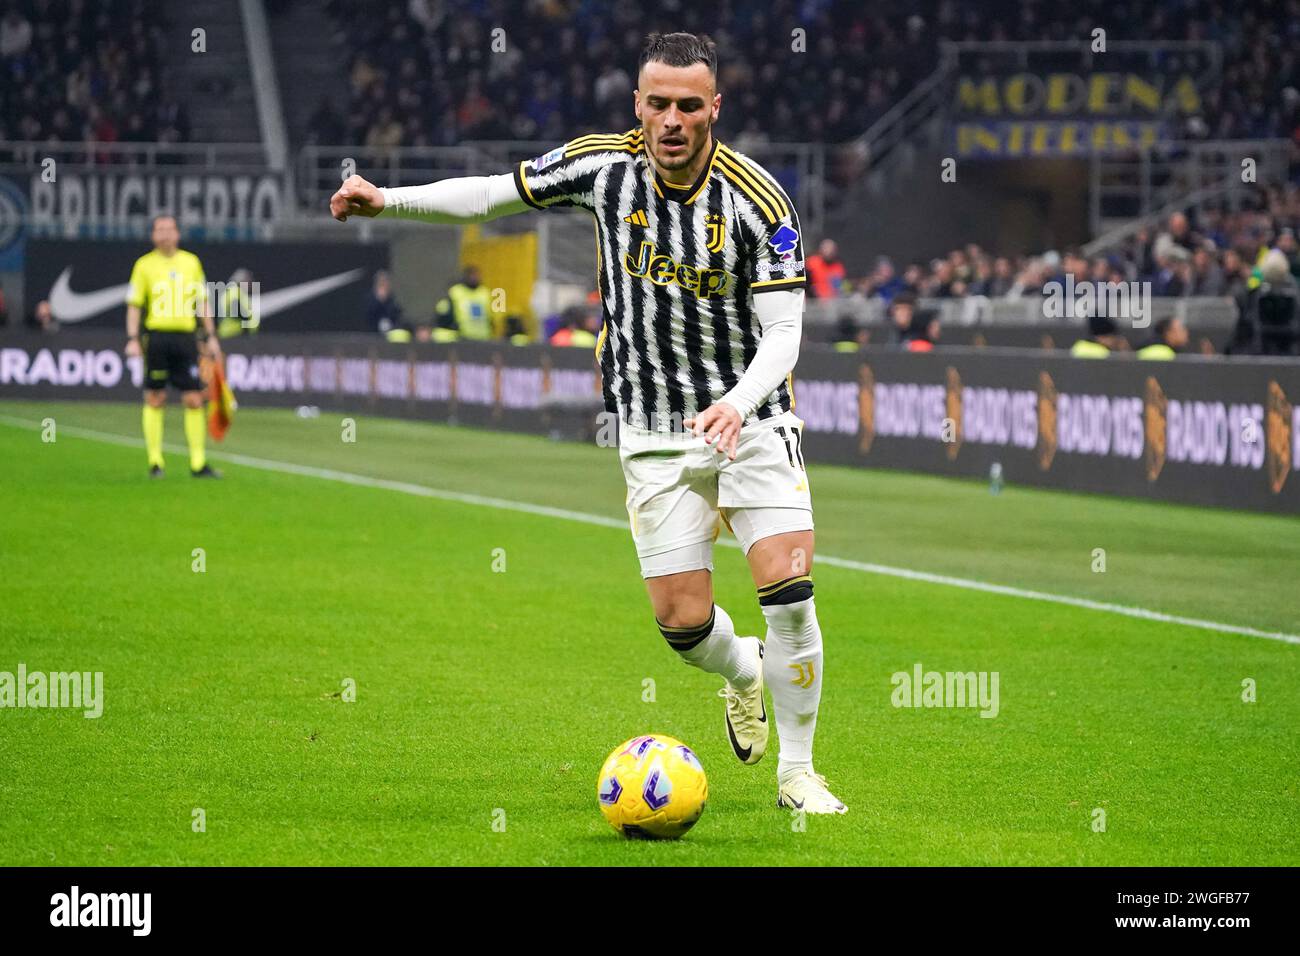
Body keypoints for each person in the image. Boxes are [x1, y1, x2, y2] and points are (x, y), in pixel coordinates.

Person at [331, 31, 844, 814]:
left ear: (715, 107)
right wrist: (387, 199)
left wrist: (737, 406)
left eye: (688, 105)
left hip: (752, 417)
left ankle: (798, 776)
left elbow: (783, 333)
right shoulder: (603, 166)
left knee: (790, 587)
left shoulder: (759, 201)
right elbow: (491, 194)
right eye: (658, 103)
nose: (672, 119)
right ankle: (745, 673)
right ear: (638, 105)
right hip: (651, 427)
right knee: (682, 624)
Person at [124, 215, 221, 478]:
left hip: (185, 338)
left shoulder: (191, 262)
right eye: (160, 229)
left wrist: (210, 335)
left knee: (193, 398)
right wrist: (133, 338)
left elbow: (202, 301)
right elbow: (135, 304)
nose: (165, 234)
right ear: (153, 235)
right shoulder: (143, 265)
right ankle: (156, 462)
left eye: (170, 229)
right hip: (157, 337)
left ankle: (198, 464)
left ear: (178, 233)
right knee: (155, 397)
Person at [434, 265, 499, 340]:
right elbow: (444, 315)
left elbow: (490, 316)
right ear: (466, 276)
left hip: (483, 337)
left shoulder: (484, 293)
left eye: (477, 275)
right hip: (462, 337)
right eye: (472, 275)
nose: (475, 278)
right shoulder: (456, 292)